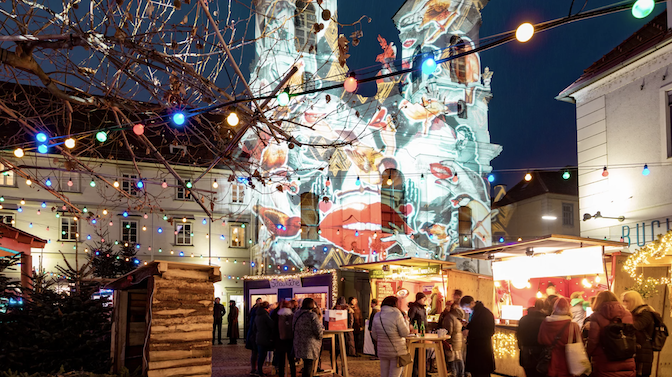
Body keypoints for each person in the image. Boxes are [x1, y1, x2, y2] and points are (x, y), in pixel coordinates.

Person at [586, 291, 635, 377]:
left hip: (604, 359)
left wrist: (587, 353)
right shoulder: (627, 314)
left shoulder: (596, 316)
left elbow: (593, 340)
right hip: (626, 358)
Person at [537, 297, 580, 377]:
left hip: (550, 362)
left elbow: (540, 340)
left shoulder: (545, 323)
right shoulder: (573, 326)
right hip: (568, 363)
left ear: (554, 308)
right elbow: (580, 345)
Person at [371, 295, 410, 377]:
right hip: (396, 351)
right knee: (394, 375)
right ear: (394, 304)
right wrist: (406, 321)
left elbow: (374, 335)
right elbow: (404, 333)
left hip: (382, 351)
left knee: (384, 374)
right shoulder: (397, 314)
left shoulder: (377, 315)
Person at [622, 291, 655, 377]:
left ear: (633, 301)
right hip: (637, 350)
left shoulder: (645, 314)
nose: (624, 303)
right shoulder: (634, 313)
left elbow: (635, 327)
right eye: (623, 301)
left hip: (643, 351)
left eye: (626, 301)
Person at [460, 295, 495, 377]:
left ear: (472, 303)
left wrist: (470, 333)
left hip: (482, 352)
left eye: (466, 308)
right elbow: (477, 327)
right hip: (475, 351)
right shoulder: (475, 313)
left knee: (482, 374)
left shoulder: (485, 313)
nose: (466, 311)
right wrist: (467, 326)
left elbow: (489, 332)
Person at [294, 298, 324, 377]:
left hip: (299, 342)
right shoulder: (312, 315)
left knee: (306, 364)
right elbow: (318, 330)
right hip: (310, 344)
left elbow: (293, 328)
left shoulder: (296, 314)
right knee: (309, 365)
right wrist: (320, 337)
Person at [516, 299, 547, 377]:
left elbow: (518, 335)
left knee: (529, 373)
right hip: (540, 352)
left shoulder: (523, 319)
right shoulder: (544, 320)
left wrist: (521, 347)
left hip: (526, 352)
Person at [441, 302, 464, 377]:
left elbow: (448, 331)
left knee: (452, 358)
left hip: (452, 340)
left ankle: (454, 374)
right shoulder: (459, 316)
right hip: (459, 339)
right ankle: (461, 374)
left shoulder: (449, 317)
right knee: (459, 357)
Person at [408, 292, 429, 377]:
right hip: (417, 334)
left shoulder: (422, 308)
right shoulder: (414, 308)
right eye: (423, 299)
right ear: (419, 299)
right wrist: (412, 329)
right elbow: (410, 320)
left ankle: (423, 371)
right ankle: (415, 373)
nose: (425, 300)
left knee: (424, 352)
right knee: (416, 353)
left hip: (423, 332)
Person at [276, 300, 297, 377]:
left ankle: (281, 375)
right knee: (291, 360)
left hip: (280, 341)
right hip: (290, 341)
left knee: (281, 361)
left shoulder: (277, 315)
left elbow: (273, 328)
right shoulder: (292, 315)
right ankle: (293, 374)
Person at [255, 302, 275, 377]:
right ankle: (260, 372)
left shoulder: (257, 315)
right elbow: (272, 325)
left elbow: (254, 327)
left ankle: (259, 371)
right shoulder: (265, 316)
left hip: (259, 337)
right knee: (262, 356)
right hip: (265, 338)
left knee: (260, 355)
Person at [247, 297, 263, 375]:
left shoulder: (253, 311)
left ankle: (254, 369)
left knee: (254, 353)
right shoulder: (257, 313)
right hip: (256, 335)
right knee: (257, 353)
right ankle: (256, 370)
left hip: (253, 335)